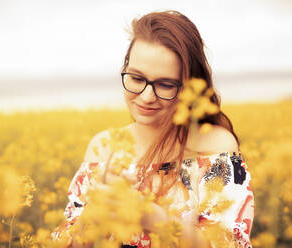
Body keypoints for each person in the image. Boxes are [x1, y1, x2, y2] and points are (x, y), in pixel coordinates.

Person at [53, 10, 254, 248]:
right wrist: (95, 215)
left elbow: (230, 243)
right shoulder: (104, 148)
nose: (147, 97)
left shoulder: (215, 148)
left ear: (190, 85)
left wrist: (155, 219)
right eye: (137, 79)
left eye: (165, 84)